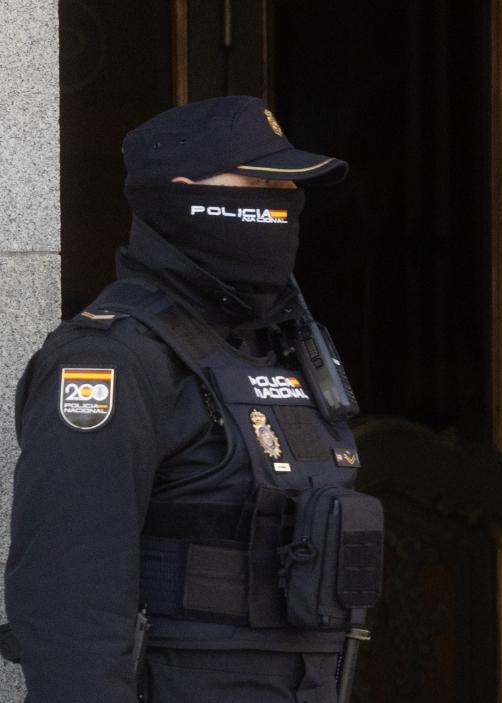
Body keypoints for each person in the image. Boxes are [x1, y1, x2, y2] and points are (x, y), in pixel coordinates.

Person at [4, 96, 383, 702]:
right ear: (183, 193)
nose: (279, 201)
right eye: (257, 182)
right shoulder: (113, 360)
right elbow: (68, 602)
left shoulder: (284, 346)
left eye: (284, 186)